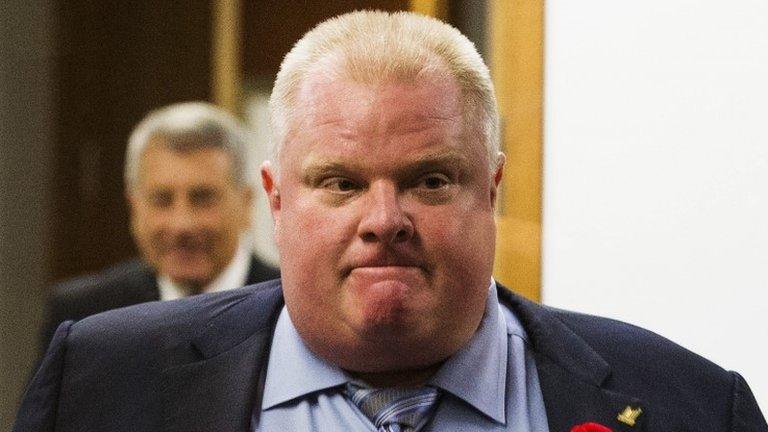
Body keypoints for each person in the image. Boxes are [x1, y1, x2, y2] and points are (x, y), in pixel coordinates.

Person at [15, 11, 766, 432]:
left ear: (492, 188)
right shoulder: (103, 385)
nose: (385, 219)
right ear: (275, 200)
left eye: (430, 180)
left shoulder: (691, 409)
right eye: (340, 183)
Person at [39, 102, 279, 350]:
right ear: (134, 207)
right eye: (162, 200)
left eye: (203, 198)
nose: (181, 225)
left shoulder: (290, 309)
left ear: (247, 204)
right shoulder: (83, 316)